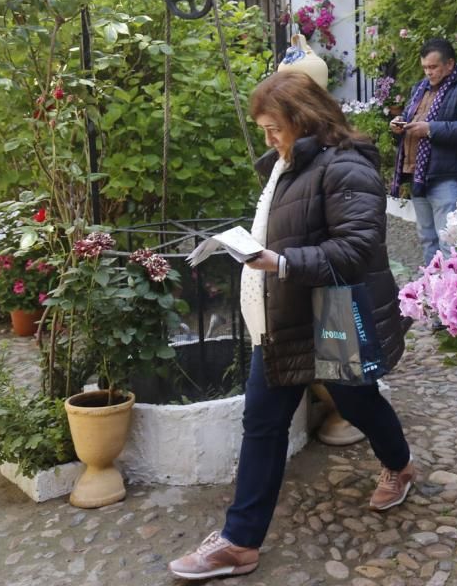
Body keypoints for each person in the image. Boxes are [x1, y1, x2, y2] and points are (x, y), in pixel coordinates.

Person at [169, 71, 414, 581]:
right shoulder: (288, 162)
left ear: (303, 119)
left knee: (357, 400)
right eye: (263, 129)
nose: (268, 139)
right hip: (281, 321)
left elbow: (354, 251)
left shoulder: (347, 168)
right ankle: (239, 543)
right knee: (262, 423)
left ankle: (400, 465)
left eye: (273, 127)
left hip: (332, 315)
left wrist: (277, 263)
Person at [389, 38, 457, 265]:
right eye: (425, 67)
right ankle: (432, 291)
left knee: (449, 242)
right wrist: (398, 125)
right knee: (427, 239)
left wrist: (430, 129)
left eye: (433, 67)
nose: (428, 73)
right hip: (418, 175)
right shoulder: (419, 89)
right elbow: (409, 119)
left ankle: (453, 294)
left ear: (450, 64)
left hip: (446, 176)